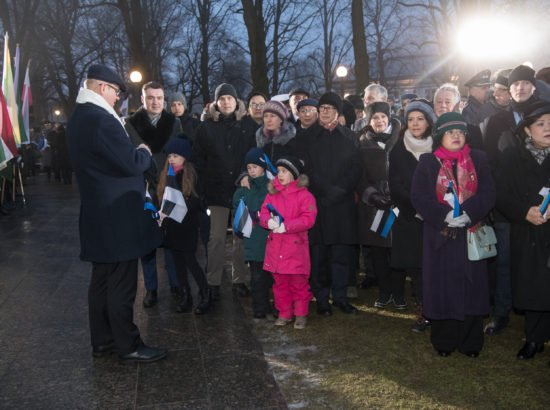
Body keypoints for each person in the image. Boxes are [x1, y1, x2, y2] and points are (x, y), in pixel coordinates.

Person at [66, 64, 166, 363]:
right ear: (101, 88)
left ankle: (103, 340)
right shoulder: (102, 121)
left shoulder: (78, 119)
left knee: (101, 282)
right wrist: (144, 152)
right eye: (115, 92)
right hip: (118, 216)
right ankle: (129, 344)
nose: (117, 99)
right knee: (121, 284)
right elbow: (129, 163)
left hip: (96, 213)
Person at [410, 112, 495, 358]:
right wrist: (443, 215)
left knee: (472, 288)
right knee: (442, 288)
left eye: (460, 132)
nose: (456, 136)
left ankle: (470, 342)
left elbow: (488, 191)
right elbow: (419, 196)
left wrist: (469, 212)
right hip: (440, 236)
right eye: (450, 132)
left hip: (471, 233)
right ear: (440, 137)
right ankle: (444, 340)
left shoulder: (478, 159)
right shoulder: (428, 162)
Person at [483, 65, 538, 335]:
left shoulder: (544, 114)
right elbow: (489, 164)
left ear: (534, 87)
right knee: (504, 261)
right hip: (506, 204)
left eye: (526, 83)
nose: (521, 88)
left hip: (538, 205)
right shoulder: (496, 122)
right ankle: (502, 312)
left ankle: (535, 314)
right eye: (516, 84)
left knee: (535, 262)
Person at [297, 92, 363, 315]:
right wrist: (324, 189)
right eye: (321, 107)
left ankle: (341, 296)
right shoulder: (307, 137)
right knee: (319, 254)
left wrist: (339, 190)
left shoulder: (349, 137)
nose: (323, 111)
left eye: (328, 108)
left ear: (337, 111)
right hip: (317, 203)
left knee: (341, 253)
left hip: (342, 203)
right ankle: (322, 298)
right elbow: (305, 169)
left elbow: (355, 168)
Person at [496, 101, 550, 360]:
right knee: (533, 286)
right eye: (540, 124)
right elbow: (501, 195)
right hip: (526, 232)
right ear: (528, 130)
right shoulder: (512, 157)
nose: (547, 128)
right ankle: (534, 339)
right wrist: (524, 212)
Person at [193, 83, 258, 300]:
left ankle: (239, 280)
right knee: (216, 239)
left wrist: (245, 175)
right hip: (215, 192)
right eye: (222, 99)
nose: (226, 102)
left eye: (230, 98)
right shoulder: (205, 127)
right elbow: (198, 161)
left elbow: (253, 155)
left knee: (241, 238)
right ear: (216, 103)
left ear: (236, 101)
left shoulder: (248, 124)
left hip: (242, 191)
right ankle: (213, 282)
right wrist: (202, 189)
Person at [124, 81, 183, 308]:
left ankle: (176, 283)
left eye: (159, 98)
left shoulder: (174, 123)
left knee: (171, 239)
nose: (155, 102)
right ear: (142, 99)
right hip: (144, 189)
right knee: (146, 243)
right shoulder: (130, 125)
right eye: (150, 97)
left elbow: (182, 154)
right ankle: (151, 288)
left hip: (169, 187)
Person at [389, 99, 436, 331]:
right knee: (417, 269)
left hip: (437, 218)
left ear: (428, 122)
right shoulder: (398, 149)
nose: (415, 123)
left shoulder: (439, 147)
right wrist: (418, 208)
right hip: (410, 217)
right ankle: (423, 311)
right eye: (410, 119)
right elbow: (395, 185)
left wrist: (434, 209)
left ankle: (440, 308)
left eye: (420, 119)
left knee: (437, 267)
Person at [260, 155, 317, 328]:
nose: (280, 175)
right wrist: (267, 221)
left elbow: (309, 219)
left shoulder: (305, 196)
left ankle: (300, 314)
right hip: (275, 248)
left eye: (284, 171)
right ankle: (284, 313)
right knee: (279, 284)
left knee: (298, 283)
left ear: (293, 174)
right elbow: (263, 212)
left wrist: (287, 226)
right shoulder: (272, 194)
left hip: (295, 248)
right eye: (278, 171)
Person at [357, 102, 403, 309]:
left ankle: (399, 293)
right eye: (375, 118)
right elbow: (359, 176)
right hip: (374, 207)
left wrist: (399, 193)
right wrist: (373, 196)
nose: (379, 121)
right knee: (378, 252)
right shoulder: (362, 143)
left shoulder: (401, 138)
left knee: (398, 251)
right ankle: (384, 292)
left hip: (399, 206)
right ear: (369, 121)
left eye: (383, 117)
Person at [158, 138, 211, 315]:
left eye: (175, 156)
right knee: (177, 263)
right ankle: (185, 295)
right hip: (172, 225)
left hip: (187, 225)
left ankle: (205, 293)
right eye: (169, 156)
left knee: (190, 261)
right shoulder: (167, 175)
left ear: (184, 157)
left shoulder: (191, 175)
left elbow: (197, 200)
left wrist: (179, 207)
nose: (171, 159)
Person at [233, 148, 271, 318]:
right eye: (249, 168)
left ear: (263, 166)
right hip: (254, 240)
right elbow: (237, 205)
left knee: (271, 277)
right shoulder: (245, 188)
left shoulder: (272, 187)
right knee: (256, 277)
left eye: (255, 167)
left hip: (270, 240)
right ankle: (259, 308)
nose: (252, 171)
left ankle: (276, 305)